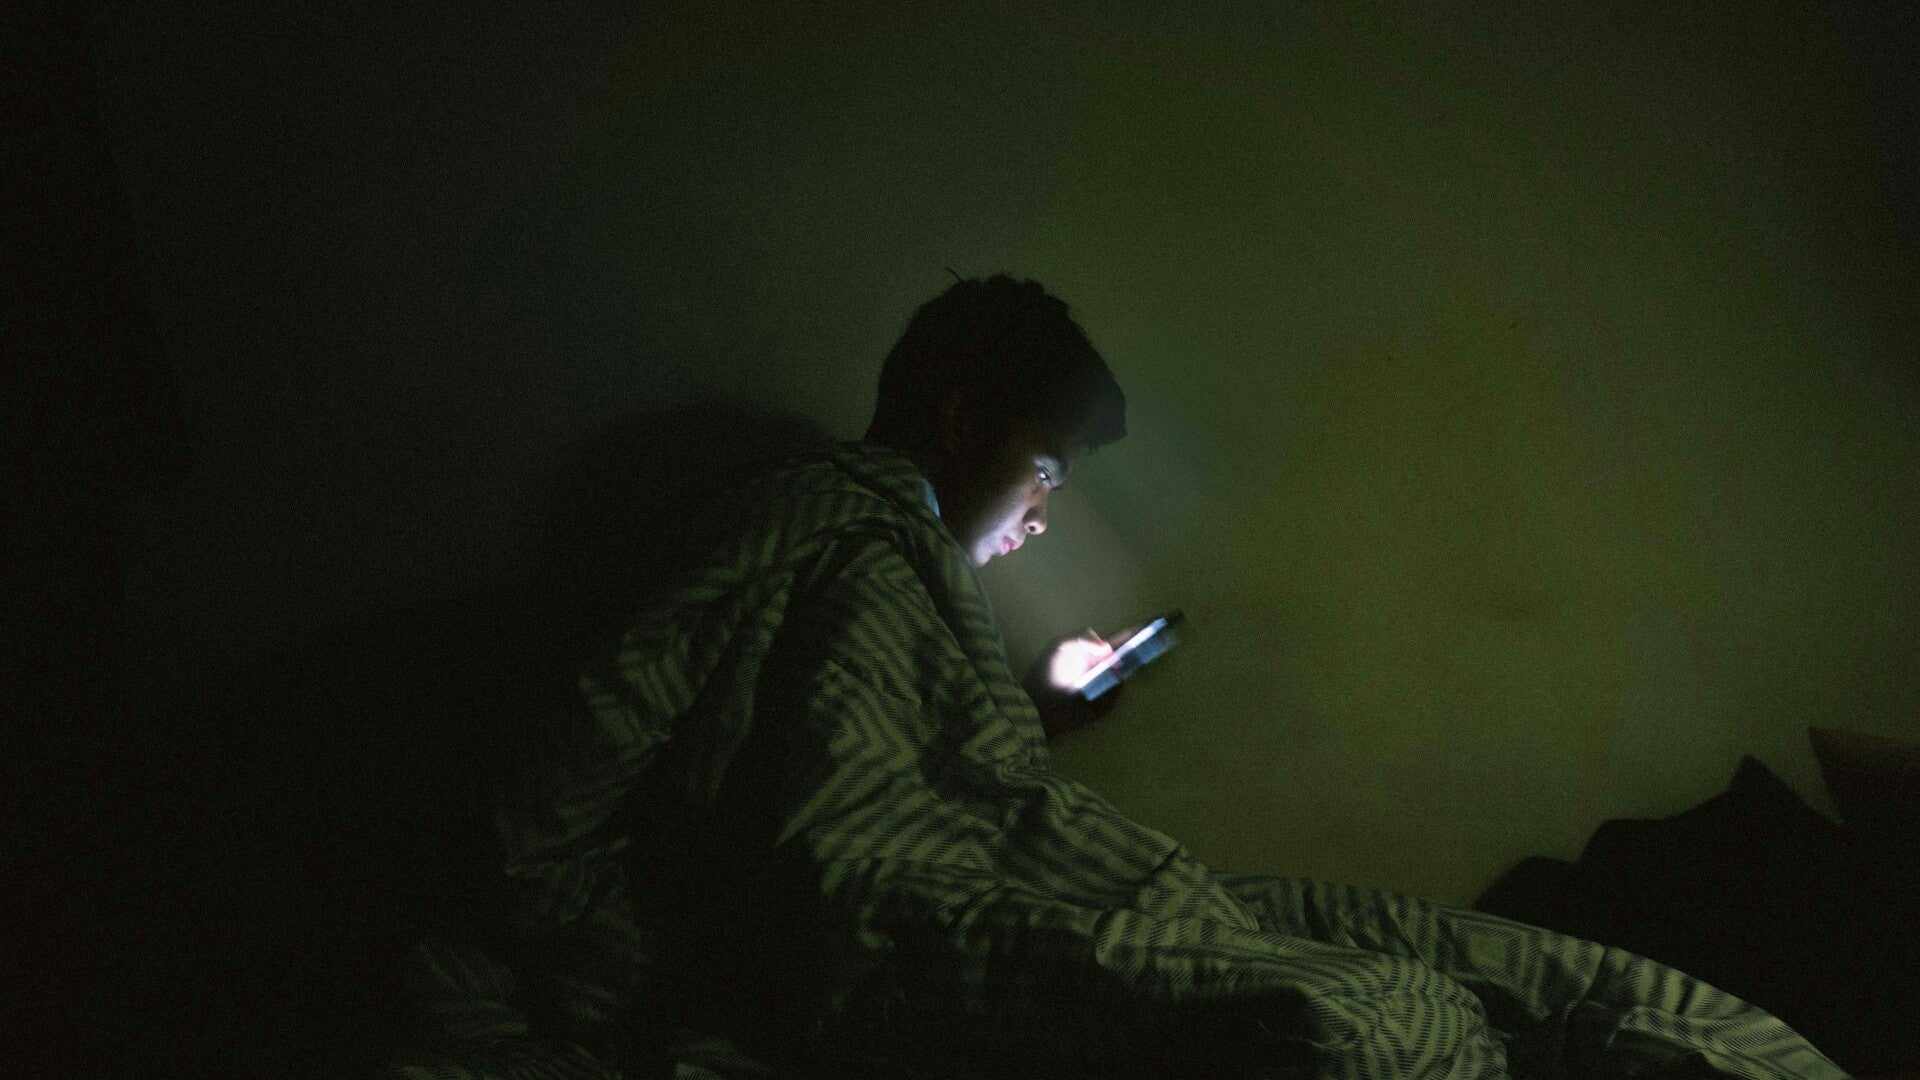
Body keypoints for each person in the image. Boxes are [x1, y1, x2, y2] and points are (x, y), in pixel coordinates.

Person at [388, 277, 1846, 1080]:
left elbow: (918, 769)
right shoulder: (822, 513)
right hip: (897, 931)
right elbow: (621, 732)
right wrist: (579, 954)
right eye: (1046, 469)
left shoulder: (906, 580)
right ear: (964, 419)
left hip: (1004, 868)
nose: (1041, 517)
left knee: (1425, 964)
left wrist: (1030, 718)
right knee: (1350, 1027)